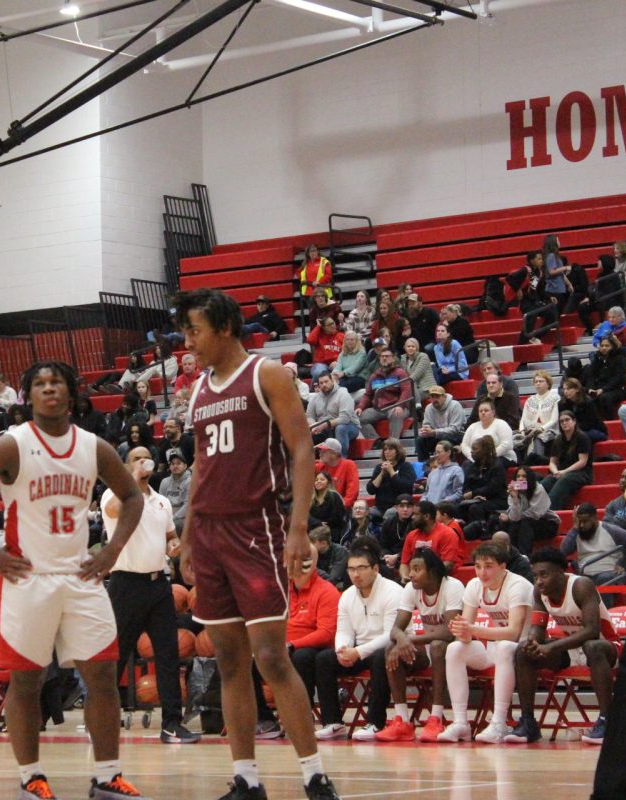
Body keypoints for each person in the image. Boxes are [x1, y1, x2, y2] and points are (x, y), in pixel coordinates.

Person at [0, 364, 152, 800]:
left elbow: (131, 497)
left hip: (80, 574)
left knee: (102, 676)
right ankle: (30, 779)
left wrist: (111, 551)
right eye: (40, 384)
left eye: (56, 382)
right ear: (28, 397)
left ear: (71, 395)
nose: (49, 388)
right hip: (28, 578)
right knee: (25, 682)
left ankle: (107, 777)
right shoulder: (13, 444)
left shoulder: (93, 446)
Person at [172, 289, 341, 800]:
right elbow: (202, 466)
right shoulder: (200, 389)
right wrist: (185, 535)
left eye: (194, 331)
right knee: (228, 660)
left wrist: (296, 526)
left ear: (223, 328)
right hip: (208, 532)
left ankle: (314, 774)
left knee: (270, 654)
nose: (188, 342)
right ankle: (246, 778)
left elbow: (301, 446)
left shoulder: (266, 375)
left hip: (255, 528)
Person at [104, 446, 199, 744]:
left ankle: (172, 724)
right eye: (136, 458)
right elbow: (114, 512)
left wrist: (174, 547)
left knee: (169, 655)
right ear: (125, 465)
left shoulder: (161, 501)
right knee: (116, 656)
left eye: (146, 457)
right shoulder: (113, 495)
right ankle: (102, 722)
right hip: (125, 584)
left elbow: (171, 536)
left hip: (159, 585)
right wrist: (130, 478)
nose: (143, 461)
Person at [506, 548, 619, 745]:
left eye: (544, 574)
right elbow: (537, 629)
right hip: (571, 649)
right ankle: (528, 722)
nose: (539, 580)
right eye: (535, 576)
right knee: (523, 651)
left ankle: (607, 720)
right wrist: (533, 643)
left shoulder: (581, 585)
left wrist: (551, 647)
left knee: (593, 646)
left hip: (606, 647)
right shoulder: (539, 592)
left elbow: (592, 630)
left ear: (561, 572)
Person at [435, 544, 534, 743]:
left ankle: (499, 723)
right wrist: (461, 630)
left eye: (488, 566)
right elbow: (467, 633)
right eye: (478, 566)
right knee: (455, 648)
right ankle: (461, 722)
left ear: (503, 566)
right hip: (495, 647)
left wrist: (472, 629)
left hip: (525, 651)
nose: (482, 572)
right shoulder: (474, 585)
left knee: (505, 646)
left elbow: (514, 633)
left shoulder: (518, 586)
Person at [313, 537, 401, 741]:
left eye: (361, 568)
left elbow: (390, 635)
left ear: (375, 569)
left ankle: (375, 723)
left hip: (391, 650)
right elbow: (343, 630)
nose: (356, 574)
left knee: (381, 656)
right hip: (359, 650)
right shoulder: (347, 595)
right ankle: (333, 722)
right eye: (351, 569)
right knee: (324, 658)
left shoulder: (393, 591)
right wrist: (342, 650)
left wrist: (358, 652)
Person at [254, 543, 341, 737]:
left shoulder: (327, 591)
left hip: (311, 648)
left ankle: (302, 719)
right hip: (281, 648)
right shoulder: (280, 589)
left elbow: (326, 633)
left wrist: (292, 645)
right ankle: (265, 720)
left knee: (302, 657)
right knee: (249, 661)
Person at [377, 547, 463, 742]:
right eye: (411, 568)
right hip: (429, 650)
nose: (410, 574)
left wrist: (409, 639)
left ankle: (436, 717)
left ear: (432, 571)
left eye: (417, 569)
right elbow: (396, 629)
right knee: (391, 647)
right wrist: (401, 639)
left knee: (438, 645)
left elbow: (450, 632)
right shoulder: (410, 589)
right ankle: (403, 721)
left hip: (456, 652)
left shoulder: (453, 586)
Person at [560, 503, 626, 586]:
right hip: (585, 576)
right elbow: (563, 551)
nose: (582, 525)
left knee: (604, 579)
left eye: (585, 521)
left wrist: (623, 563)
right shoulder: (577, 532)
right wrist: (575, 528)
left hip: (609, 574)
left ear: (594, 518)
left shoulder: (610, 530)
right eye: (579, 521)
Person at [499, 467, 559, 555]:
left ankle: (524, 556)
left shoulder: (538, 489)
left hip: (547, 523)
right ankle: (512, 556)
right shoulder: (514, 492)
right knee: (511, 525)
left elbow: (534, 514)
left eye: (524, 476)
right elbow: (515, 518)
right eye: (518, 476)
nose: (520, 479)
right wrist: (515, 498)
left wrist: (511, 517)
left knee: (524, 523)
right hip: (524, 523)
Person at [541, 411, 592, 510]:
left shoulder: (582, 437)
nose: (564, 423)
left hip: (582, 473)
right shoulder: (558, 439)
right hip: (561, 472)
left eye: (567, 420)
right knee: (545, 483)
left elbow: (582, 462)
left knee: (564, 480)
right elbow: (552, 462)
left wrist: (564, 472)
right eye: (561, 421)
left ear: (574, 421)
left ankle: (550, 510)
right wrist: (555, 471)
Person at [398, 501, 462, 580]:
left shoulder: (448, 534)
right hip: (417, 579)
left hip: (442, 580)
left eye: (416, 514)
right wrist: (405, 577)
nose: (412, 517)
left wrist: (424, 577)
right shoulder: (411, 535)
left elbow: (447, 564)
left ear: (427, 516)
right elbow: (404, 563)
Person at [357, 348, 411, 441]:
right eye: (382, 356)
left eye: (387, 356)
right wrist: (360, 407)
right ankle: (376, 441)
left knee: (396, 414)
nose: (384, 358)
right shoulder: (374, 376)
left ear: (393, 358)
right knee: (358, 418)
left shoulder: (400, 372)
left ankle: (393, 443)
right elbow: (368, 395)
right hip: (378, 409)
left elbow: (406, 391)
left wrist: (400, 405)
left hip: (396, 406)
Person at [305, 372, 360, 456]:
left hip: (349, 426)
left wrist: (324, 425)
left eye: (326, 381)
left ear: (332, 381)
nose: (324, 385)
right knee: (305, 433)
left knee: (340, 428)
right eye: (321, 383)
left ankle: (341, 459)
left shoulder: (343, 394)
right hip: (325, 428)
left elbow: (344, 418)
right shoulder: (315, 398)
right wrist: (314, 425)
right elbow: (309, 415)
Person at [581, 334, 626, 420]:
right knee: (586, 397)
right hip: (599, 388)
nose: (604, 348)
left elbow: (618, 378)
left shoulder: (619, 358)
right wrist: (591, 388)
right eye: (602, 345)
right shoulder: (597, 358)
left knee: (605, 398)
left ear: (613, 346)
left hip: (617, 389)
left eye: (607, 346)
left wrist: (603, 389)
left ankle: (609, 421)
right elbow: (591, 375)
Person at [516, 251, 559, 344]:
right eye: (539, 259)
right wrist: (517, 289)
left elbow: (539, 290)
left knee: (552, 314)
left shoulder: (538, 272)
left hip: (534, 301)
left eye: (542, 259)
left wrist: (549, 296)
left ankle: (535, 337)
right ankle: (521, 345)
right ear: (532, 260)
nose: (541, 261)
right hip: (525, 302)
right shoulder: (525, 270)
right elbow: (510, 279)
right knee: (530, 320)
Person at [516, 370, 559, 464]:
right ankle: (521, 466)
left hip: (549, 431)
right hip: (530, 430)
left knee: (538, 437)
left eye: (541, 381)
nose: (538, 384)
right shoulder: (530, 400)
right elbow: (523, 419)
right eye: (536, 382)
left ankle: (538, 462)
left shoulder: (555, 398)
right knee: (516, 439)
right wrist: (522, 431)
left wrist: (541, 429)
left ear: (548, 383)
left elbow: (554, 420)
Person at [364, 439, 415, 517]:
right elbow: (370, 490)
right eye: (385, 449)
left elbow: (406, 488)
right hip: (379, 507)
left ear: (398, 451)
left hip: (399, 506)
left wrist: (391, 472)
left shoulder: (406, 466)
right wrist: (381, 474)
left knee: (389, 513)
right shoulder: (379, 467)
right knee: (365, 513)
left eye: (390, 449)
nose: (387, 452)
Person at [459, 399, 516, 465]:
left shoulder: (501, 424)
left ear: (493, 412)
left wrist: (488, 456)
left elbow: (507, 444)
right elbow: (464, 445)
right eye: (480, 411)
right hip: (477, 458)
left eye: (486, 410)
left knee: (492, 465)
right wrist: (473, 456)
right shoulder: (472, 426)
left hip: (502, 457)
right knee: (466, 465)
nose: (483, 413)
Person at [416, 386, 466, 461]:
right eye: (432, 397)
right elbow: (426, 425)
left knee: (443, 441)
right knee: (419, 440)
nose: (435, 399)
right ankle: (425, 466)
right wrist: (425, 431)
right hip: (437, 436)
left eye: (437, 396)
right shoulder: (428, 408)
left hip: (456, 436)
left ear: (444, 396)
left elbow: (455, 429)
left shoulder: (455, 405)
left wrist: (434, 432)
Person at [558, 378, 607, 442]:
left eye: (569, 389)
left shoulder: (588, 402)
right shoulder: (562, 404)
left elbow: (591, 422)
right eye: (564, 389)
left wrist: (573, 429)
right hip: (572, 430)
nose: (566, 392)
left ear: (577, 389)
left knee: (582, 437)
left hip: (593, 429)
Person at [315, 439, 359, 509]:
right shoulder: (319, 466)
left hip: (342, 508)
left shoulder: (348, 465)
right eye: (320, 451)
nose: (320, 454)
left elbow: (352, 492)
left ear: (334, 454)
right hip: (323, 508)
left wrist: (340, 507)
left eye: (324, 451)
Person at [308, 470, 348, 544]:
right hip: (313, 532)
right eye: (316, 480)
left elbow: (338, 516)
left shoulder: (334, 496)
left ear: (328, 483)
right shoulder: (311, 499)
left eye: (322, 479)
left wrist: (325, 524)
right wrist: (318, 523)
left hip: (332, 533)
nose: (318, 481)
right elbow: (307, 516)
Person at [158, 448, 192, 533]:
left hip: (182, 517)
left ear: (185, 466)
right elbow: (160, 502)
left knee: (176, 525)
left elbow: (188, 505)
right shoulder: (165, 481)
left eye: (178, 463)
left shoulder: (190, 481)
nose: (175, 466)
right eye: (172, 464)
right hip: (168, 515)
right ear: (169, 467)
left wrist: (173, 518)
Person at [379, 496, 416, 571]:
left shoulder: (416, 524)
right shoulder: (388, 523)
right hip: (389, 557)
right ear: (396, 508)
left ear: (413, 508)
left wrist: (397, 556)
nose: (405, 509)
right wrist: (387, 557)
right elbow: (383, 545)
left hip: (410, 558)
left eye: (408, 506)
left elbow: (415, 548)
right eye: (402, 506)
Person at [422, 441, 463, 505]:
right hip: (431, 510)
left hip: (445, 510)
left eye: (439, 452)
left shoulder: (456, 470)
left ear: (448, 452)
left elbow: (459, 493)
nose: (436, 455)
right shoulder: (432, 473)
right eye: (435, 453)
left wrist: (444, 502)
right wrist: (423, 501)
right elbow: (426, 493)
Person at [310, 524, 349, 590]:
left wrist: (312, 568)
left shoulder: (341, 552)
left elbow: (333, 579)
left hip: (339, 588)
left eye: (313, 542)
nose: (310, 545)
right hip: (321, 586)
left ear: (323, 544)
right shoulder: (313, 552)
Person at [306, 316, 345, 381]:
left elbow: (347, 352)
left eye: (333, 323)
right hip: (321, 363)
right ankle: (313, 389)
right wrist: (318, 326)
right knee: (319, 373)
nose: (332, 326)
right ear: (323, 327)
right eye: (329, 325)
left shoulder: (341, 336)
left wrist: (338, 362)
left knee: (338, 371)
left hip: (337, 362)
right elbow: (310, 340)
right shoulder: (319, 336)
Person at [541, 234, 571, 308]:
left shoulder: (556, 256)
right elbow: (551, 271)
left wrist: (569, 284)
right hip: (554, 289)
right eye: (558, 240)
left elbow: (560, 273)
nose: (559, 242)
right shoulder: (551, 256)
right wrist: (565, 268)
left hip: (559, 288)